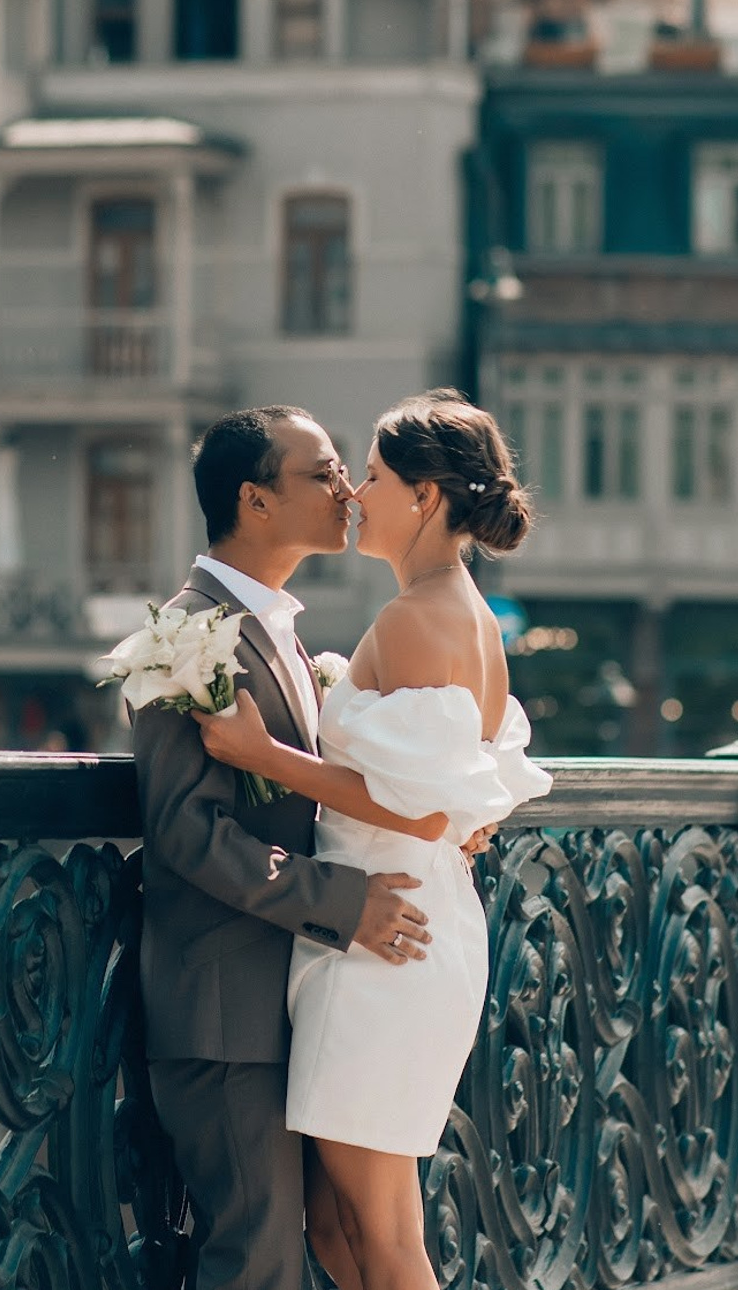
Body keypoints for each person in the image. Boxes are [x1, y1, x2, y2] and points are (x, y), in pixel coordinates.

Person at [196, 388, 553, 1290]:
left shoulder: (417, 616)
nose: (355, 493)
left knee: (384, 1234)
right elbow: (463, 789)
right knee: (336, 1227)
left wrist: (263, 754)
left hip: (387, 938)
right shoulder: (455, 610)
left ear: (425, 496)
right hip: (392, 925)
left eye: (374, 476)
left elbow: (425, 810)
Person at [131, 405, 444, 1290]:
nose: (347, 489)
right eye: (323, 472)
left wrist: (454, 815)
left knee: (340, 1241)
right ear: (255, 500)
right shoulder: (182, 636)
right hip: (225, 1011)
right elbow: (186, 831)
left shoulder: (283, 636)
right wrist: (343, 904)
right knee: (258, 1262)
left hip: (298, 1000)